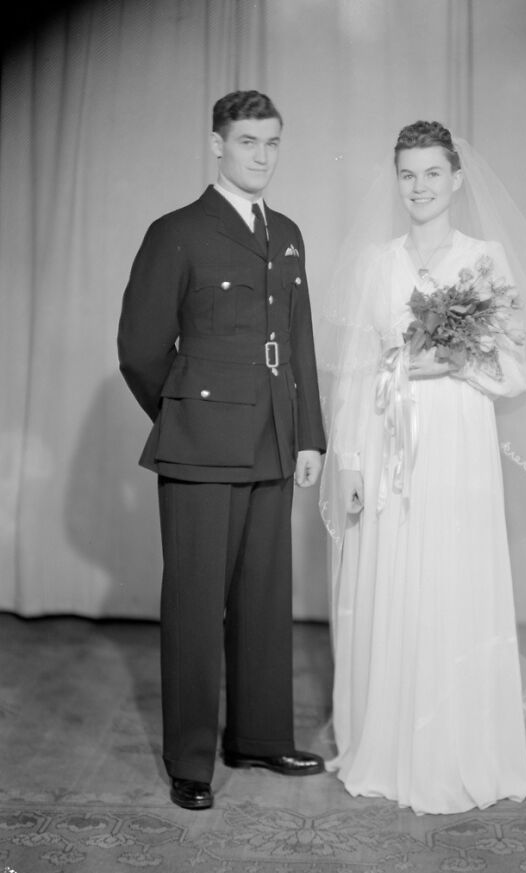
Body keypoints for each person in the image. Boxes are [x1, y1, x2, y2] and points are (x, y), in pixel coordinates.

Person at [318, 121, 526, 815]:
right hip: (389, 442)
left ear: (456, 178)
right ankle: (389, 744)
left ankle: (460, 748)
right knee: (396, 579)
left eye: (432, 173)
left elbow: (513, 365)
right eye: (407, 174)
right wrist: (348, 458)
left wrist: (439, 359)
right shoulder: (379, 262)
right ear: (397, 179)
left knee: (453, 579)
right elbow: (356, 374)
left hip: (458, 444)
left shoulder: (485, 259)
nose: (419, 187)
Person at [118, 90, 326, 811]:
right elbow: (140, 350)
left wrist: (310, 438)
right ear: (216, 144)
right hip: (201, 446)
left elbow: (298, 344)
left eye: (272, 142)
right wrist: (183, 417)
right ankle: (192, 761)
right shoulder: (178, 231)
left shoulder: (289, 231)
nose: (261, 155)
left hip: (273, 442)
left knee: (267, 600)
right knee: (197, 607)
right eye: (247, 142)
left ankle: (260, 737)